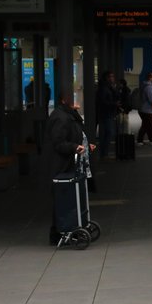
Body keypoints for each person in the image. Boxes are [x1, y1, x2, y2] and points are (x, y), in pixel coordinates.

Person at [45, 92, 94, 245]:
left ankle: (70, 227)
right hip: (62, 165)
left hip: (70, 164)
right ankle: (61, 231)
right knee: (63, 198)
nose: (77, 100)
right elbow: (58, 142)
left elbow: (76, 134)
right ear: (65, 100)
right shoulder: (61, 117)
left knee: (70, 197)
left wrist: (85, 145)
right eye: (73, 98)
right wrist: (75, 147)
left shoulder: (69, 115)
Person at [95, 71, 118, 160]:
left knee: (107, 132)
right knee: (108, 132)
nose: (113, 78)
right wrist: (114, 104)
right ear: (107, 78)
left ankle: (104, 152)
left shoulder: (108, 87)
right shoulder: (104, 89)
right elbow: (103, 102)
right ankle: (104, 153)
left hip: (107, 112)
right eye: (111, 77)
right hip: (106, 113)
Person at [136, 71, 152, 145]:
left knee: (148, 125)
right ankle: (140, 141)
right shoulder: (149, 87)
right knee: (146, 125)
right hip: (147, 110)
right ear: (150, 78)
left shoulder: (144, 85)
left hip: (143, 109)